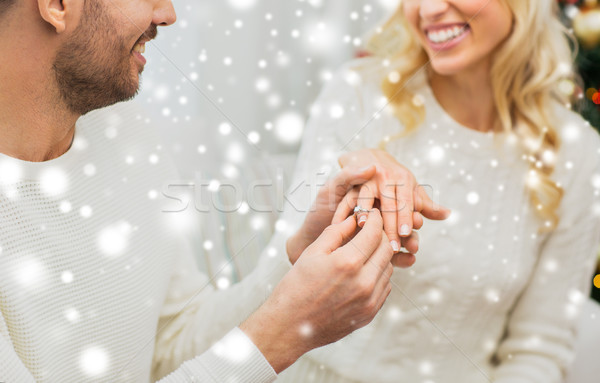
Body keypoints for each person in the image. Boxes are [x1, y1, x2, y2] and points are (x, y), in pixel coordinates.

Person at [0, 0, 450, 381]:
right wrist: (285, 332)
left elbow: (171, 342)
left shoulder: (124, 129)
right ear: (57, 5)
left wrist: (295, 265)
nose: (168, 14)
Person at [274, 0, 600, 382]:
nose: (427, 9)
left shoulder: (576, 153)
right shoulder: (359, 94)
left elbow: (537, 350)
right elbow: (283, 282)